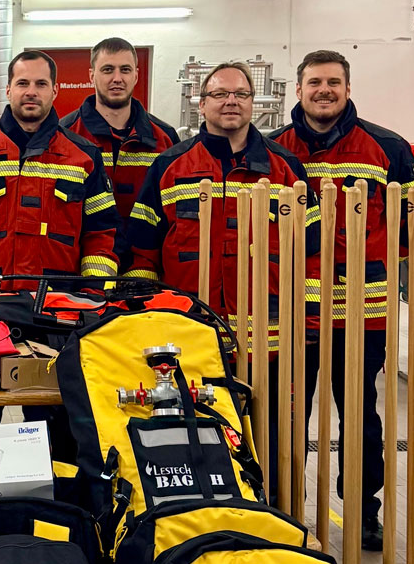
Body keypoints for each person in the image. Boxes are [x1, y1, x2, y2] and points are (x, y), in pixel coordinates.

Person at [125, 61, 319, 500]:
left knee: (273, 441)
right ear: (202, 103)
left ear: (255, 103)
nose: (231, 102)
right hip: (192, 338)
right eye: (220, 94)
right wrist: (151, 324)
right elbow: (142, 254)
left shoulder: (285, 169)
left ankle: (276, 518)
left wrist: (303, 328)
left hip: (268, 344)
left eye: (241, 95)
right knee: (194, 436)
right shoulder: (169, 167)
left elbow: (308, 255)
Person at [270, 51, 414, 549]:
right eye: (315, 82)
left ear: (348, 88)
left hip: (362, 312)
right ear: (299, 90)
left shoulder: (389, 148)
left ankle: (362, 510)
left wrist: (373, 263)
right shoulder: (274, 150)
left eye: (334, 82)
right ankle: (282, 505)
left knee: (359, 416)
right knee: (288, 414)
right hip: (293, 314)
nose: (324, 91)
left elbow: (411, 225)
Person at [0, 49, 121, 433]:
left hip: (56, 318)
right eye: (22, 83)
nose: (30, 92)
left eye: (40, 84)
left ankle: (50, 493)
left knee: (52, 428)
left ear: (55, 91)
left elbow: (102, 235)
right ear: (8, 89)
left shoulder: (83, 157)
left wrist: (90, 302)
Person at [60, 37, 180, 219]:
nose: (117, 79)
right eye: (108, 70)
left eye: (125, 70)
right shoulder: (64, 134)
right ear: (92, 76)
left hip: (144, 247)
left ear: (136, 76)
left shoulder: (165, 138)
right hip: (85, 247)